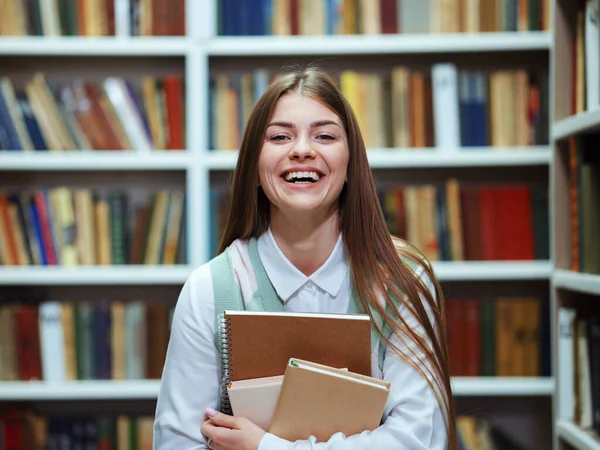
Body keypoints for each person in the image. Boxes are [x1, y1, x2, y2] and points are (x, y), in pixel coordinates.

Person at [153, 65, 457, 450]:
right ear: (255, 169)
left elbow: (417, 440)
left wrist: (265, 447)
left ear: (351, 164)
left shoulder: (403, 281)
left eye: (325, 135)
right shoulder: (209, 290)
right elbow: (178, 443)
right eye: (280, 136)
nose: (301, 150)